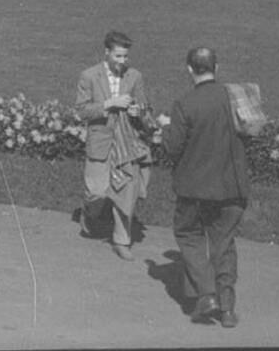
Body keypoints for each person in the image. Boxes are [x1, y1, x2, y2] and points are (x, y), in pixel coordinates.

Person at [159, 44, 254, 328]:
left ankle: (207, 294)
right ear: (217, 67)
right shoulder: (234, 97)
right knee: (224, 244)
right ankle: (227, 308)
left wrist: (166, 126)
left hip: (195, 188)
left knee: (188, 234)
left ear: (189, 69)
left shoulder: (185, 104)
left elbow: (172, 149)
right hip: (232, 186)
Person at [73, 30, 151, 256]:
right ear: (106, 52)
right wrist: (109, 104)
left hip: (127, 142)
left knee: (126, 194)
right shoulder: (89, 76)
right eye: (118, 56)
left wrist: (138, 111)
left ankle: (122, 241)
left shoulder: (134, 76)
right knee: (96, 193)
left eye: (125, 56)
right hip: (101, 141)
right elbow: (81, 111)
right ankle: (89, 213)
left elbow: (145, 108)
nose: (122, 61)